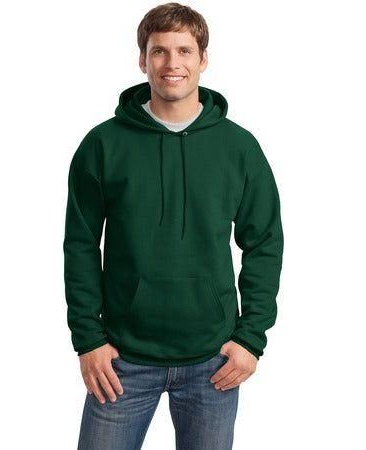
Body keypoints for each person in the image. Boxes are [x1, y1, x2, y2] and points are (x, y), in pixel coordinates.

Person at [63, 3, 284, 449]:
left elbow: (264, 242)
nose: (172, 63)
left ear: (203, 59)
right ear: (142, 59)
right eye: (159, 51)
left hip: (213, 360)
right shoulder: (103, 144)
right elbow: (80, 244)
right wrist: (88, 339)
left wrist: (251, 338)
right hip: (121, 359)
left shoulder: (239, 147)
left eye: (184, 50)